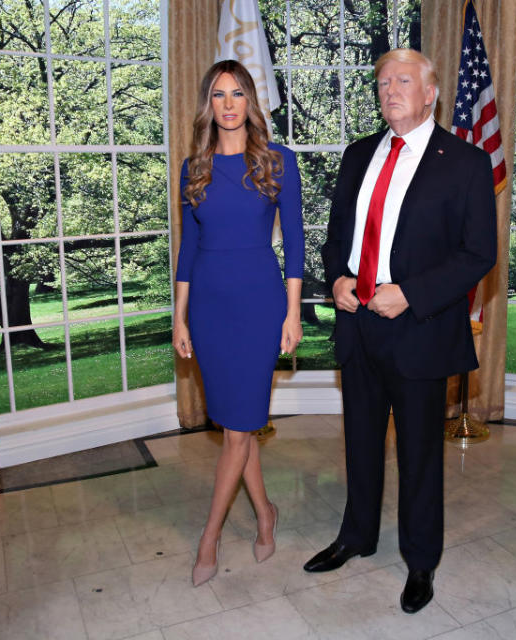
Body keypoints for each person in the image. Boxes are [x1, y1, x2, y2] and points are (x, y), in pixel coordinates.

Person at [305, 48, 497, 613]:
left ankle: (420, 563)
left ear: (432, 91)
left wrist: (410, 293)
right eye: (383, 81)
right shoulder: (358, 153)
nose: (391, 89)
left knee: (418, 457)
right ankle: (356, 536)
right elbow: (337, 234)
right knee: (359, 443)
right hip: (357, 326)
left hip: (419, 328)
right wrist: (336, 277)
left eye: (404, 80)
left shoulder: (464, 162)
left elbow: (477, 252)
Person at [173, 60, 304, 587]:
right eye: (219, 95)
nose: (229, 104)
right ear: (210, 105)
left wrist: (293, 312)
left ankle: (209, 537)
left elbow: (294, 244)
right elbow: (188, 250)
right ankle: (265, 512)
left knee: (236, 429)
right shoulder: (193, 169)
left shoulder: (279, 162)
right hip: (208, 307)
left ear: (251, 102)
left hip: (258, 305)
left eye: (238, 94)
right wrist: (180, 317)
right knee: (238, 425)